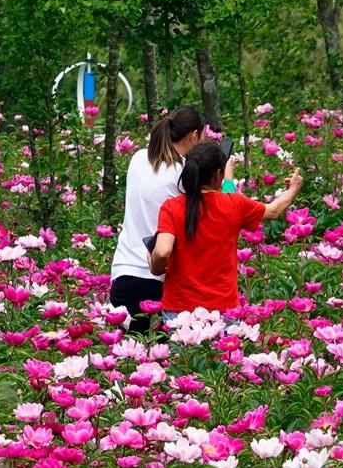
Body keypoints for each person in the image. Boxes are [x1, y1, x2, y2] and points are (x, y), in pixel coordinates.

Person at [149, 141, 302, 316]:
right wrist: (294, 189)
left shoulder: (171, 207)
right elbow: (273, 210)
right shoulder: (234, 205)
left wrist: (154, 265)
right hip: (222, 309)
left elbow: (162, 252)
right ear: (217, 175)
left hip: (180, 309)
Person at [109, 106, 206, 333]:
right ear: (193, 136)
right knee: (159, 362)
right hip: (161, 278)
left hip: (124, 272)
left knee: (126, 359)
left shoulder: (138, 158)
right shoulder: (184, 174)